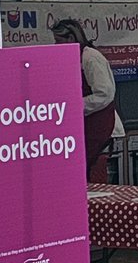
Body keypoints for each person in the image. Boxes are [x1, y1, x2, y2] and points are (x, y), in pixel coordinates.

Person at [51, 18, 121, 182]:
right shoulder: (72, 58)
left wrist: (75, 106)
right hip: (85, 127)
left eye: (58, 41)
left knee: (95, 180)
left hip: (100, 127)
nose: (56, 45)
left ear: (71, 38)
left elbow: (105, 93)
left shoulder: (91, 58)